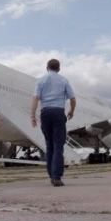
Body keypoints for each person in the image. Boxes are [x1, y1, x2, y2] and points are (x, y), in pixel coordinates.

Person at [30, 58, 76, 187]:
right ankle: (57, 177)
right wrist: (71, 110)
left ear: (47, 68)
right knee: (58, 145)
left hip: (45, 112)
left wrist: (32, 115)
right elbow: (72, 98)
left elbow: (35, 98)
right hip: (58, 112)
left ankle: (51, 175)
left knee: (49, 145)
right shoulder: (64, 80)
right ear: (59, 69)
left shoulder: (40, 81)